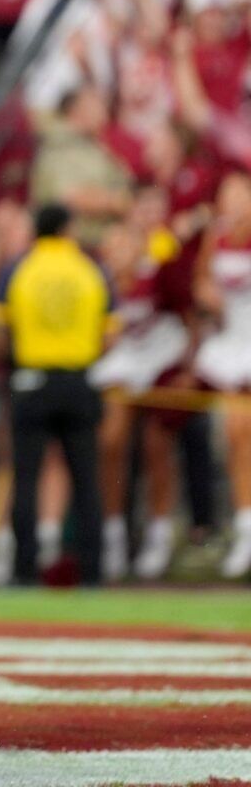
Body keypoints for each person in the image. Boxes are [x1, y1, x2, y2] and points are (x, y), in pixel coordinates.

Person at [0, 202, 111, 587]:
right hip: (78, 379)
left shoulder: (17, 268)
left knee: (25, 477)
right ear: (67, 228)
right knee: (86, 480)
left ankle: (25, 570)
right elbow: (110, 333)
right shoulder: (91, 269)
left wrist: (17, 358)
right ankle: (92, 571)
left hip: (32, 379)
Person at [91, 220, 187, 581]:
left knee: (156, 445)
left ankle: (159, 532)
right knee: (110, 441)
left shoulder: (157, 274)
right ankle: (113, 533)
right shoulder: (100, 283)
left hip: (162, 358)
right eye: (111, 246)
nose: (117, 253)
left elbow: (185, 315)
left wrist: (186, 366)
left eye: (124, 244)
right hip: (123, 362)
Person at [193, 172, 251, 577]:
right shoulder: (216, 237)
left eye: (238, 195)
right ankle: (246, 525)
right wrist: (206, 295)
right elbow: (200, 282)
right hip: (233, 345)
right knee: (234, 435)